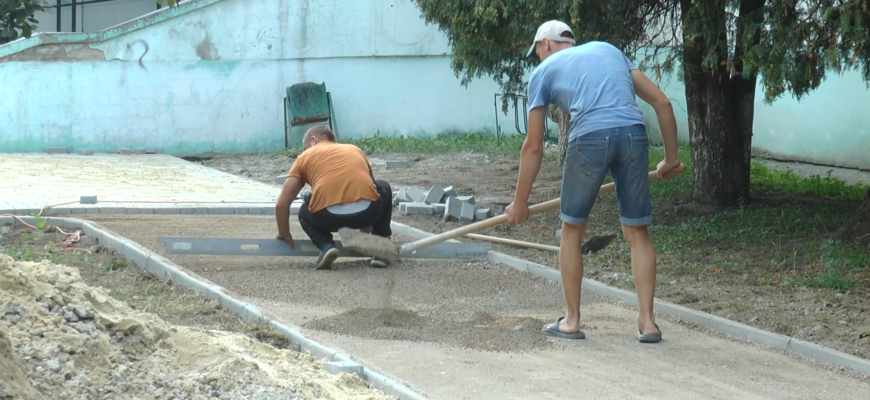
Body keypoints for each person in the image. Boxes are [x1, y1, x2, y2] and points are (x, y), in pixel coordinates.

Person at [505, 20, 683, 343]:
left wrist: (520, 202)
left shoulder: (542, 73)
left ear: (545, 44)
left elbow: (532, 146)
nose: (538, 59)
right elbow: (662, 103)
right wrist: (671, 159)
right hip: (633, 134)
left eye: (537, 53)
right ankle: (649, 322)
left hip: (589, 138)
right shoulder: (609, 51)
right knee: (637, 231)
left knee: (572, 231)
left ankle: (571, 321)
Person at [274, 125, 394, 270]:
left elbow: (281, 205)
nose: (305, 151)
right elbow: (371, 191)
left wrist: (284, 233)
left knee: (304, 211)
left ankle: (326, 246)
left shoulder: (305, 157)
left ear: (313, 140)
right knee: (384, 186)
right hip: (367, 213)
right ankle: (381, 249)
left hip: (328, 219)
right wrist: (366, 237)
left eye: (305, 148)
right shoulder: (355, 150)